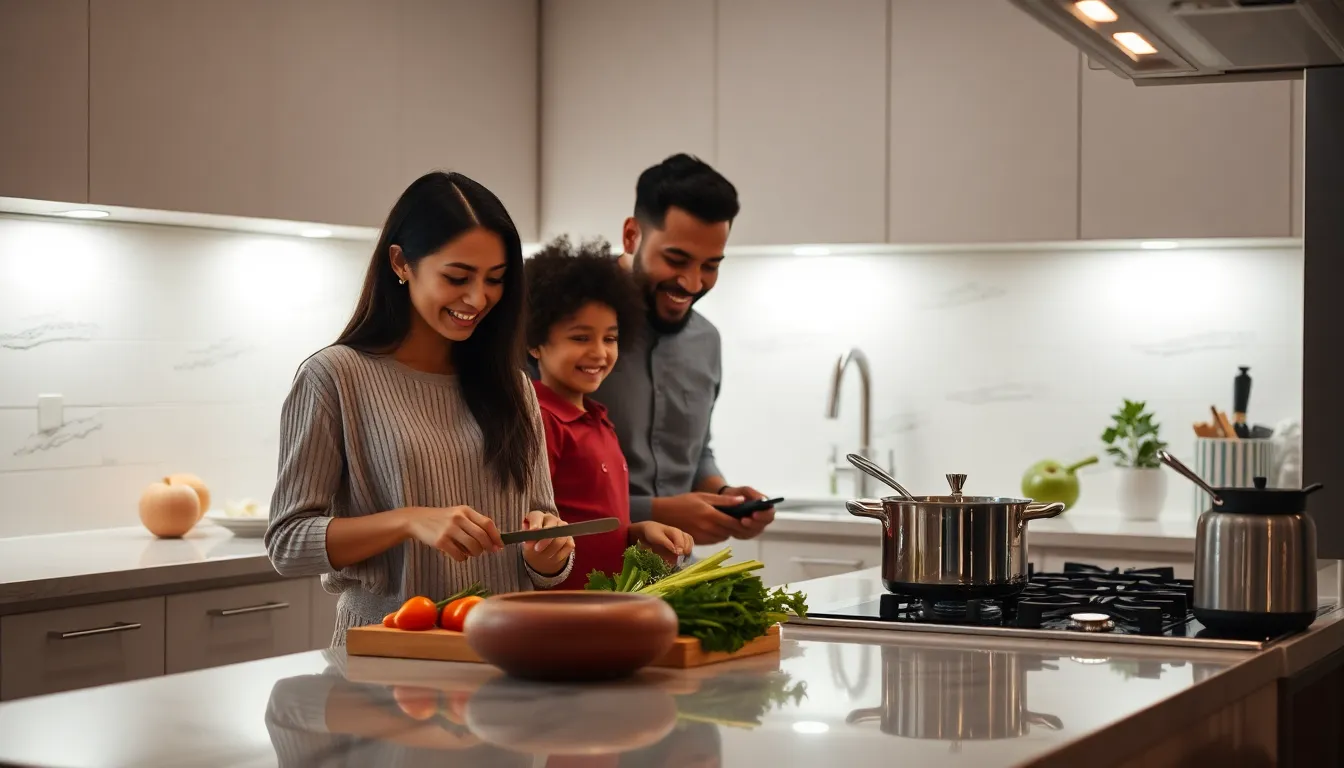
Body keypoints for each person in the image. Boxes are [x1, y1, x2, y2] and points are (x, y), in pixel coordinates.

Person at [265, 171, 575, 645]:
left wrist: (547, 554)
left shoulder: (513, 386)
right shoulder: (334, 377)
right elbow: (288, 544)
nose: (478, 298)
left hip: (505, 652)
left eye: (495, 280)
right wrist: (409, 520)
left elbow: (539, 534)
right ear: (401, 263)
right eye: (457, 277)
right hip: (385, 655)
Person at [595, 153, 777, 545]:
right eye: (676, 259)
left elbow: (694, 454)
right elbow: (537, 483)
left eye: (711, 265)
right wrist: (658, 512)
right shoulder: (563, 327)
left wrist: (723, 496)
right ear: (631, 236)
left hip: (673, 572)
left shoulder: (706, 341)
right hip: (580, 578)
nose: (693, 283)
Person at [524, 236, 695, 589]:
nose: (600, 353)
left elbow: (592, 524)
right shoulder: (539, 419)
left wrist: (636, 534)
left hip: (604, 609)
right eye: (581, 338)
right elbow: (531, 533)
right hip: (561, 618)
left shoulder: (598, 419)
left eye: (611, 338)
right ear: (534, 343)